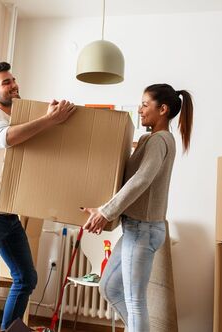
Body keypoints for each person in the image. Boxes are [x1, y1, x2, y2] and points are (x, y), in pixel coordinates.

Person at [0, 62, 76, 332]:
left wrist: (50, 118)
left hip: (8, 214)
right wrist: (49, 119)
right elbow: (7, 138)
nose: (14, 85)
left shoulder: (18, 119)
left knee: (26, 278)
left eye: (13, 79)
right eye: (5, 83)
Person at [81, 83, 193, 332]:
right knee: (109, 287)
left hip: (142, 230)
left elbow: (142, 179)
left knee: (135, 301)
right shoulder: (151, 139)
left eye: (145, 104)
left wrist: (105, 212)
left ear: (162, 109)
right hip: (135, 229)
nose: (140, 109)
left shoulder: (160, 140)